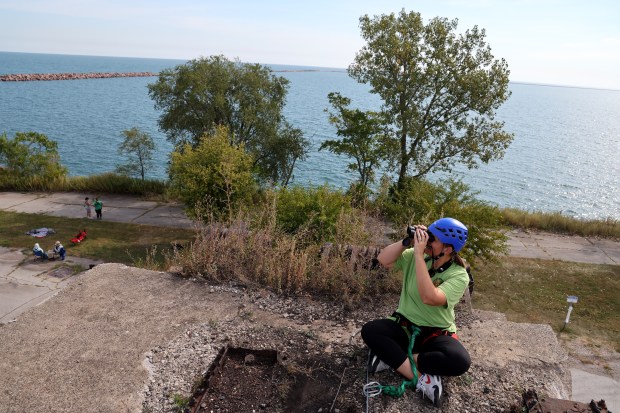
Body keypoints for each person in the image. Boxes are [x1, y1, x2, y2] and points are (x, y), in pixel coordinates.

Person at [361, 217, 471, 407]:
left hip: (435, 334)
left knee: (460, 361)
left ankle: (394, 358)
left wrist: (419, 256)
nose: (427, 241)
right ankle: (422, 379)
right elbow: (383, 260)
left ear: (448, 249)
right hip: (405, 327)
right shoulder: (416, 255)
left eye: (432, 239)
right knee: (370, 330)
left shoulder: (458, 275)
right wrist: (407, 242)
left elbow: (430, 297)